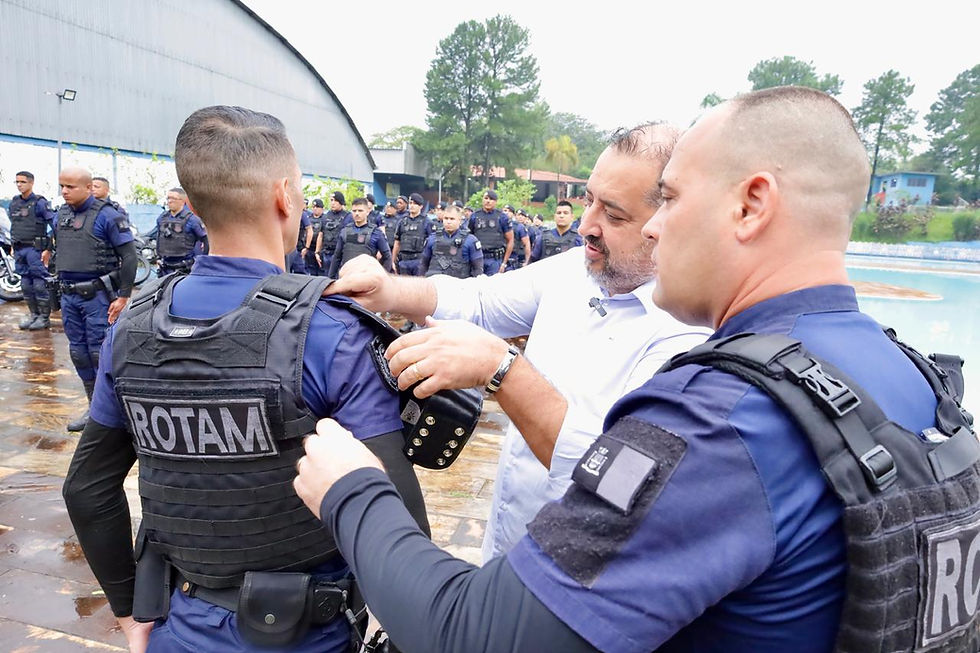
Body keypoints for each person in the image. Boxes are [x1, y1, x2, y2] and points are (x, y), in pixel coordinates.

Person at [295, 87, 980, 652]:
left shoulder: (717, 419)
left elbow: (474, 636)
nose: (654, 228)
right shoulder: (913, 376)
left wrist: (355, 489)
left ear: (751, 204)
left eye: (673, 199)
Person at [62, 105, 429, 653]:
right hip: (310, 634)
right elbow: (398, 520)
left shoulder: (132, 326)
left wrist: (128, 611)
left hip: (178, 624)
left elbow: (87, 489)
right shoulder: (333, 333)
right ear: (284, 196)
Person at [333, 123, 709, 560]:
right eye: (589, 200)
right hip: (510, 540)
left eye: (614, 215)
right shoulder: (575, 268)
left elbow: (618, 475)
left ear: (669, 222)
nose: (587, 225)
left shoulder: (688, 336)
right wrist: (387, 290)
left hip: (585, 570)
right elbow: (478, 300)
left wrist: (501, 369)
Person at [55, 166, 138, 432]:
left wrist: (124, 295)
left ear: (88, 187)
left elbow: (130, 257)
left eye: (71, 186)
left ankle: (112, 410)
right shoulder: (62, 214)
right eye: (62, 186)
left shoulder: (108, 217)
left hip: (97, 297)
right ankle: (93, 408)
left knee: (99, 352)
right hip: (69, 296)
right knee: (79, 353)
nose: (65, 191)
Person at [9, 170, 56, 330]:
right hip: (20, 250)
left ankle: (44, 318)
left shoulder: (39, 203)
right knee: (25, 285)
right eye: (17, 182)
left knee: (39, 284)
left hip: (36, 250)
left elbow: (55, 225)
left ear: (31, 183)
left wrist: (48, 249)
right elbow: (15, 226)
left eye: (23, 182)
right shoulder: (14, 202)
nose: (19, 185)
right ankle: (34, 315)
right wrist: (13, 247)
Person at [328, 197, 391, 277]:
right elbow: (337, 256)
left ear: (367, 212)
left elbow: (387, 257)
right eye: (354, 211)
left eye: (360, 210)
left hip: (366, 279)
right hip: (346, 278)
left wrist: (381, 278)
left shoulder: (376, 233)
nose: (357, 213)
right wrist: (331, 278)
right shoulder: (344, 231)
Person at [419, 203, 482, 278]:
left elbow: (478, 269)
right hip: (435, 285)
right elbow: (423, 264)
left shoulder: (470, 241)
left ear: (459, 220)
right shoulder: (432, 239)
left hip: (461, 286)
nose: (448, 222)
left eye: (452, 219)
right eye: (446, 218)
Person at [155, 187, 208, 276]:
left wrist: (202, 261)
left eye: (173, 198)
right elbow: (159, 239)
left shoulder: (192, 220)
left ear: (182, 201)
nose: (170, 201)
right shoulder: (161, 218)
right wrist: (158, 258)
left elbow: (205, 240)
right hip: (165, 268)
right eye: (168, 198)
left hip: (185, 269)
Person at [467, 190, 513, 275]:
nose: (488, 201)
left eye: (491, 199)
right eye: (486, 198)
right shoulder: (475, 216)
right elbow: (469, 238)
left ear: (495, 202)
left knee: (493, 287)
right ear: (482, 200)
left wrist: (504, 263)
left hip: (495, 260)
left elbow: (510, 240)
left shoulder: (502, 217)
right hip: (477, 258)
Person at [391, 193, 431, 277]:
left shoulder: (426, 222)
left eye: (415, 204)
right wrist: (393, 261)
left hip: (419, 261)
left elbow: (431, 244)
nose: (412, 206)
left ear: (421, 206)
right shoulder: (402, 221)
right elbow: (397, 243)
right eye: (410, 203)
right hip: (403, 261)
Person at [313, 195, 347, 277]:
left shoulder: (347, 216)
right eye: (331, 200)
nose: (333, 203)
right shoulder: (325, 216)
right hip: (326, 254)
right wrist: (317, 252)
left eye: (335, 201)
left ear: (341, 202)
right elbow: (321, 235)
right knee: (326, 279)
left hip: (340, 255)